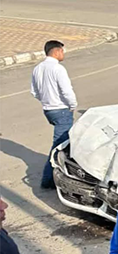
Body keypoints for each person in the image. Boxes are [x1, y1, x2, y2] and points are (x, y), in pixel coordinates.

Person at [30, 40, 76, 190]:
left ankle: (64, 173)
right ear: (56, 52)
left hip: (48, 110)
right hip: (61, 110)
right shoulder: (58, 69)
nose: (63, 54)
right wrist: (72, 105)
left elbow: (34, 92)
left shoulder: (37, 68)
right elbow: (66, 91)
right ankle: (48, 179)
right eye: (62, 51)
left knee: (64, 143)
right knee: (59, 146)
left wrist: (47, 101)